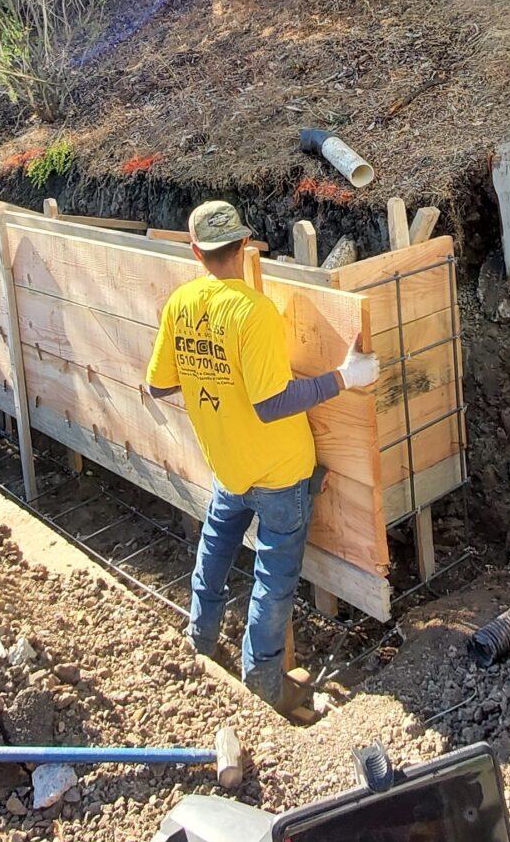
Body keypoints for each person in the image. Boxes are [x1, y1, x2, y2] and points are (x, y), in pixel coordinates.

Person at [146, 201, 377, 707]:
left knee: (213, 554)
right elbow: (272, 405)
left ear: (195, 252)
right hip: (279, 473)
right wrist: (345, 377)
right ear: (244, 245)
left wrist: (213, 391)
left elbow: (158, 385)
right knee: (272, 584)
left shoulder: (180, 303)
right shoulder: (254, 311)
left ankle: (199, 643)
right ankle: (263, 685)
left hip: (228, 466)